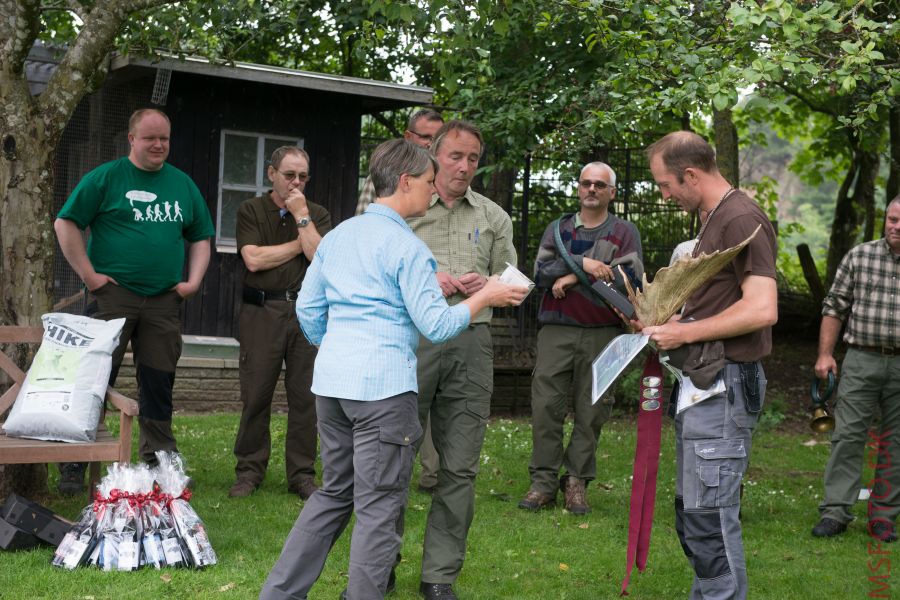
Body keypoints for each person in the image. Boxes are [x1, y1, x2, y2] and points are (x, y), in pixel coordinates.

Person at [258, 139, 528, 600]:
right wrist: (485, 297)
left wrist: (341, 345)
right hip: (384, 394)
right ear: (404, 183)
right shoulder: (408, 247)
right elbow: (438, 325)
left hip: (333, 387)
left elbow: (307, 308)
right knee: (379, 509)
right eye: (426, 182)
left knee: (333, 495)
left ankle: (279, 595)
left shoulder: (339, 235)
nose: (432, 190)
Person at [637, 131, 777, 600]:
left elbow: (762, 309)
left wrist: (684, 333)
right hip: (703, 386)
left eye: (665, 185)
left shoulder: (740, 218)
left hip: (726, 384)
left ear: (691, 175)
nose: (664, 195)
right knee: (694, 517)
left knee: (711, 523)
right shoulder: (716, 216)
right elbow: (723, 302)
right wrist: (676, 320)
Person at [54, 108, 214, 491]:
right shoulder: (106, 178)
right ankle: (76, 461)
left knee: (159, 380)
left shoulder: (182, 185)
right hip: (113, 297)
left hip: (163, 300)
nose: (159, 145)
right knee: (94, 377)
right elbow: (66, 222)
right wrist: (89, 276)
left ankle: (160, 461)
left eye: (165, 139)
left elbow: (201, 236)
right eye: (150, 138)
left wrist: (193, 281)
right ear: (132, 139)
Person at [410, 120, 517, 600]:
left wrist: (490, 285)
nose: (464, 166)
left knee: (460, 466)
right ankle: (378, 563)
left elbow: (512, 282)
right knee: (393, 457)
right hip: (412, 342)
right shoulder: (405, 210)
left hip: (472, 342)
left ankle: (439, 576)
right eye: (455, 156)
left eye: (473, 158)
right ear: (434, 155)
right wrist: (427, 281)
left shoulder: (494, 216)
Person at [519, 162, 643, 515]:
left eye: (600, 185)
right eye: (586, 183)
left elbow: (627, 278)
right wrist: (587, 264)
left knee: (592, 412)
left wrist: (572, 276)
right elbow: (542, 272)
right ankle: (542, 483)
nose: (592, 189)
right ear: (578, 188)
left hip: (603, 332)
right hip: (556, 330)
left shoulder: (624, 231)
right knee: (546, 408)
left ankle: (575, 482)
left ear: (611, 192)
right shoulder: (558, 229)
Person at [228, 146, 331, 499]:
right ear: (271, 174)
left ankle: (302, 475)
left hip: (307, 314)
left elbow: (320, 256)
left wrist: (303, 218)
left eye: (303, 176)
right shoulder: (250, 210)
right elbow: (254, 259)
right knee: (256, 394)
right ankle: (249, 472)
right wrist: (298, 243)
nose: (297, 182)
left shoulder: (318, 213)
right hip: (262, 312)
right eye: (290, 175)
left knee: (306, 397)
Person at [357, 108, 445, 494]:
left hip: (425, 306)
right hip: (389, 321)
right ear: (409, 139)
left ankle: (429, 473)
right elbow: (366, 243)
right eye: (426, 139)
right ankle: (385, 477)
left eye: (437, 140)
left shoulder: (441, 184)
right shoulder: (383, 199)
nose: (433, 146)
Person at [811, 195, 900, 543]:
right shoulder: (860, 256)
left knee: (896, 441)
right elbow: (834, 306)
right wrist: (825, 354)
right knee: (847, 435)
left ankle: (884, 516)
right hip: (862, 358)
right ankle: (835, 511)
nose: (896, 226)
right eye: (892, 219)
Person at [355, 109, 444, 216]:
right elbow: (363, 220)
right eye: (425, 137)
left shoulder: (453, 177)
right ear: (408, 137)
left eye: (437, 139)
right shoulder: (386, 173)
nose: (432, 144)